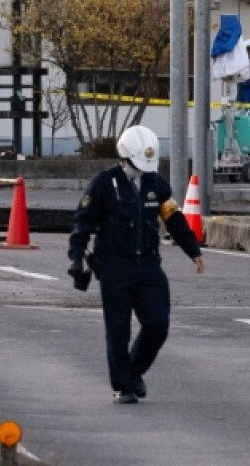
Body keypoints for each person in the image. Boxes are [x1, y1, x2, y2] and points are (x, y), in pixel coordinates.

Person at [67, 125, 205, 404]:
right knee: (118, 330)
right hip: (115, 267)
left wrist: (193, 250)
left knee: (158, 324)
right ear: (124, 157)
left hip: (149, 266)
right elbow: (83, 223)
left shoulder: (156, 183)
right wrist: (77, 258)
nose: (140, 170)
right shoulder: (103, 184)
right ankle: (123, 386)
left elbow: (173, 217)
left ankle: (133, 371)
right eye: (135, 164)